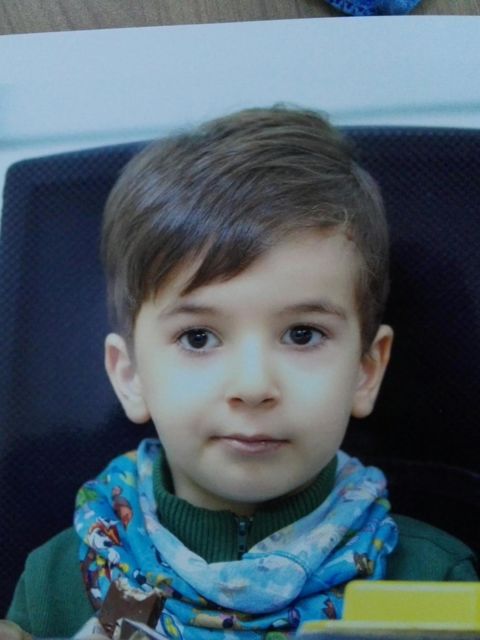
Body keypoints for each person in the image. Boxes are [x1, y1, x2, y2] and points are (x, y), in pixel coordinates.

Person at [6, 106, 477, 639]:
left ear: (366, 370)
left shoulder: (437, 578)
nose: (253, 387)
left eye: (303, 334)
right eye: (198, 338)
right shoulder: (53, 583)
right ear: (130, 375)